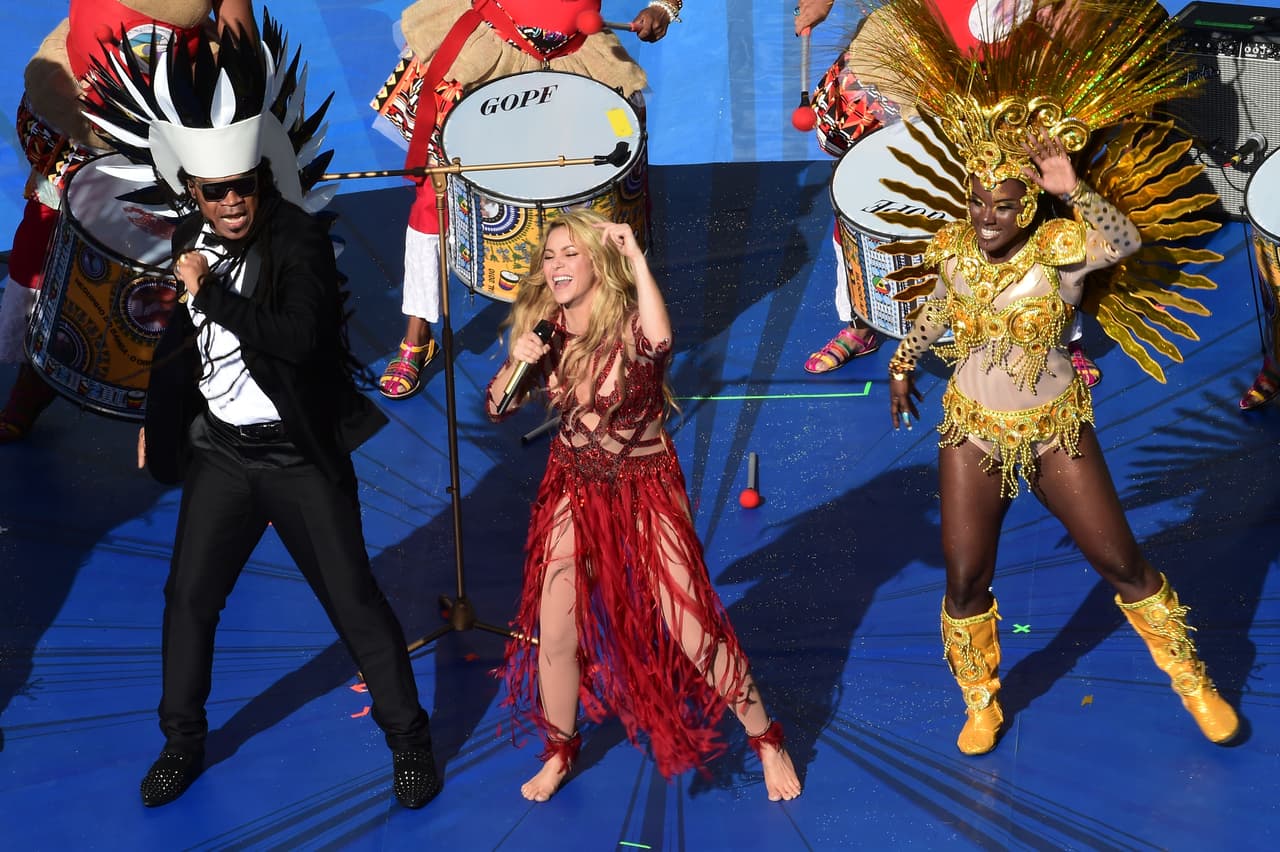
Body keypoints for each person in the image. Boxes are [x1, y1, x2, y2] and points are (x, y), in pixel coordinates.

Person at [83, 20, 440, 809]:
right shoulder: (189, 237)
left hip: (298, 458)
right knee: (188, 600)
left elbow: (301, 336)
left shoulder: (300, 242)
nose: (234, 200)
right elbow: (179, 339)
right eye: (218, 191)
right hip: (222, 456)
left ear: (258, 179)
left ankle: (409, 741)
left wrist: (209, 290)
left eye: (243, 185)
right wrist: (160, 416)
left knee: (352, 601)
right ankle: (182, 740)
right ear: (195, 193)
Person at [873, 0, 1237, 755]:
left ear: (1028, 202)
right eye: (977, 202)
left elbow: (1126, 239)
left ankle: (1192, 678)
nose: (985, 217)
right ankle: (981, 699)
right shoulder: (957, 247)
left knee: (1119, 560)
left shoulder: (1065, 249)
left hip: (1053, 428)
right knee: (966, 575)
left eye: (1002, 205)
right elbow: (939, 302)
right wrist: (904, 362)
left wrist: (1073, 184)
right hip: (970, 425)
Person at [484, 210, 801, 802]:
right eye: (550, 256)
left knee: (690, 625)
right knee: (555, 630)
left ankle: (765, 738)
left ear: (598, 265)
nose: (556, 266)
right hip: (573, 486)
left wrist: (636, 257)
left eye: (570, 254)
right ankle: (560, 749)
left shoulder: (628, 323)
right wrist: (516, 357)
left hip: (645, 486)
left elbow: (660, 342)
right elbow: (499, 408)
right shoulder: (545, 332)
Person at [369, 0, 675, 400]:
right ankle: (417, 336)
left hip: (575, 59)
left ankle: (588, 340)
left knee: (585, 197)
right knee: (435, 196)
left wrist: (663, 9)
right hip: (485, 53)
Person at [792, 0, 1103, 384]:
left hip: (1009, 78)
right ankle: (861, 320)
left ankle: (1059, 336)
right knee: (859, 196)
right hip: (910, 55)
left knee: (1039, 207)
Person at [0, 0, 257, 442]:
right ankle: (34, 379)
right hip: (80, 111)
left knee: (185, 260)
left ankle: (200, 400)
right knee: (43, 243)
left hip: (171, 121)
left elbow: (241, 46)